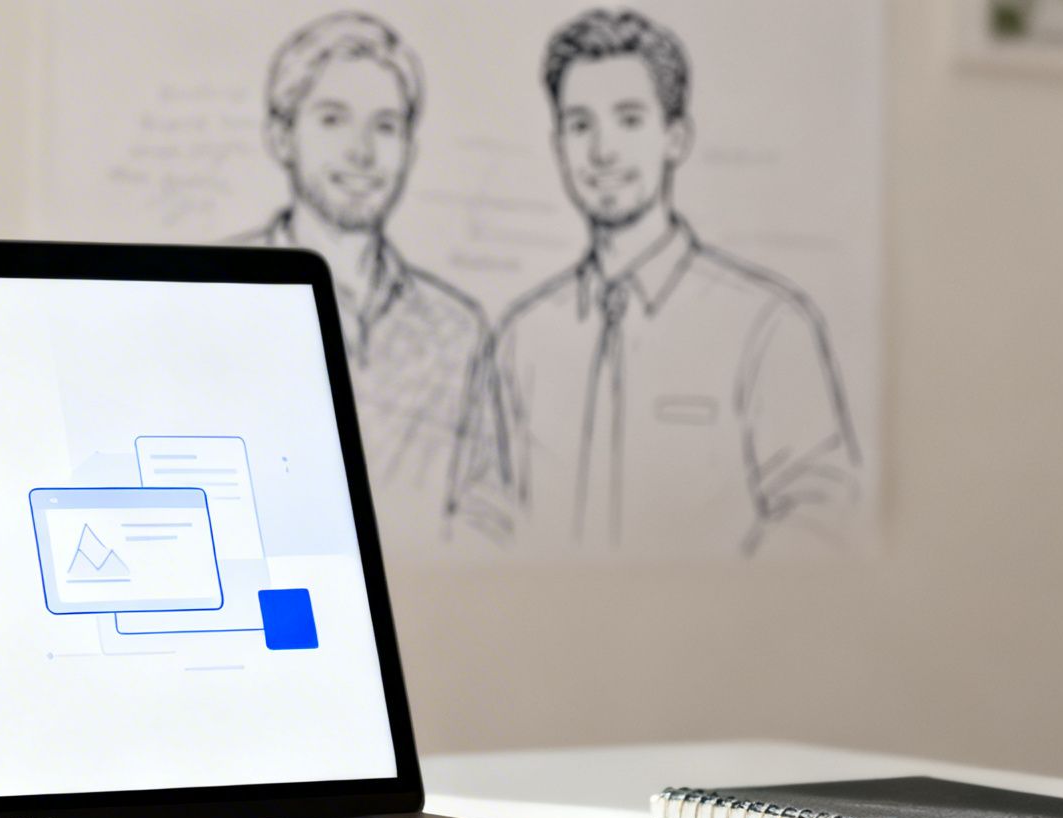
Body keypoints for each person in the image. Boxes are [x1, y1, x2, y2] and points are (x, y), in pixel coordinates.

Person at [452, 8, 861, 555]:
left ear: (675, 138)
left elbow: (818, 511)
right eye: (580, 124)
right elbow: (482, 520)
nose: (602, 151)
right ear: (558, 146)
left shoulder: (769, 324)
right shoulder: (519, 338)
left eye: (628, 119)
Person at [234, 12, 487, 495]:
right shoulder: (214, 295)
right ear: (282, 137)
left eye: (386, 126)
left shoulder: (459, 331)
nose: (362, 152)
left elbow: (487, 516)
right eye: (333, 120)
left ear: (410, 149)